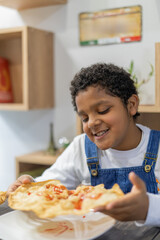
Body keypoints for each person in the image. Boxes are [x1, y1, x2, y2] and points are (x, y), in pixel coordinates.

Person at [7, 63, 160, 226]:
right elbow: (51, 184)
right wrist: (30, 185)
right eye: (85, 118)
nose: (92, 122)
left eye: (103, 110)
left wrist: (148, 208)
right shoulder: (82, 147)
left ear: (131, 105)